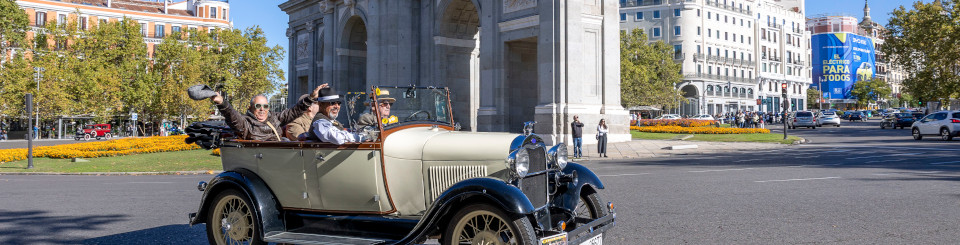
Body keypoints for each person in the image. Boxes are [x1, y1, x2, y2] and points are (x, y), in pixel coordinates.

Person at [210, 84, 323, 141]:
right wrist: (222, 103)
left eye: (265, 106)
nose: (262, 109)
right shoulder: (245, 123)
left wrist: (311, 98)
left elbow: (294, 111)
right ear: (250, 108)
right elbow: (232, 115)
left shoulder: (275, 118)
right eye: (258, 106)